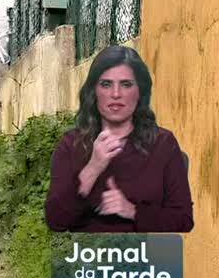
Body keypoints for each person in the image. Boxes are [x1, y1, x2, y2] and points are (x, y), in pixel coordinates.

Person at [44, 45, 193, 233]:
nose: (116, 94)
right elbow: (56, 220)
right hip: (89, 258)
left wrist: (132, 210)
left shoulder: (163, 143)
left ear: (140, 92)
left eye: (126, 84)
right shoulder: (71, 144)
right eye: (106, 84)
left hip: (150, 257)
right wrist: (93, 168)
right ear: (93, 92)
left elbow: (183, 219)